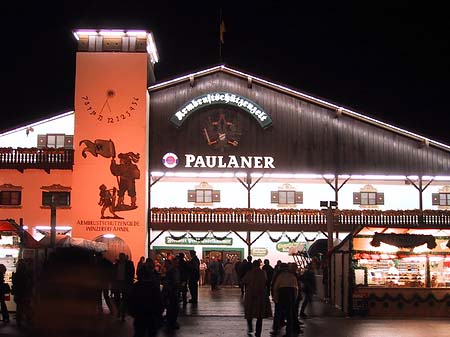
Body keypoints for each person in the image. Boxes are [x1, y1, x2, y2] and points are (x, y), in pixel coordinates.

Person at [128, 268, 164, 337]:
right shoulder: (153, 286)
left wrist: (132, 312)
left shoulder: (136, 286)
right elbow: (159, 301)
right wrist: (158, 313)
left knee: (139, 332)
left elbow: (131, 300)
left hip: (139, 315)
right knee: (151, 333)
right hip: (151, 315)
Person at [241, 260, 272, 337]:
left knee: (249, 312)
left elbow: (243, 281)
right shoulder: (263, 272)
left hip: (250, 295)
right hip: (261, 295)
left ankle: (250, 326)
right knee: (259, 315)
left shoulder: (250, 273)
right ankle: (258, 333)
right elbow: (266, 281)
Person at [271, 263, 302, 337]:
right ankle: (289, 331)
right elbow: (296, 289)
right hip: (290, 295)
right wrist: (295, 299)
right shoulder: (292, 276)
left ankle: (276, 329)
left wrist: (275, 297)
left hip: (281, 294)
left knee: (278, 313)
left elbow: (275, 287)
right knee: (289, 314)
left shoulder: (280, 275)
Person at [113, 252, 135, 321]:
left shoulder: (129, 264)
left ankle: (122, 314)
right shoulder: (116, 264)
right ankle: (119, 310)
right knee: (116, 298)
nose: (121, 258)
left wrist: (130, 282)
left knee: (125, 299)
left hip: (125, 283)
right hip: (118, 283)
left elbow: (132, 273)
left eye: (122, 257)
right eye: (120, 257)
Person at [11, 259, 33, 326]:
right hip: (25, 292)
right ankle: (27, 318)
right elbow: (28, 283)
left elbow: (14, 283)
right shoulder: (26, 274)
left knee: (19, 307)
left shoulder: (16, 274)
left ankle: (19, 320)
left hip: (18, 293)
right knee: (26, 306)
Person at [161, 258, 181, 330]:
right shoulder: (174, 270)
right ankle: (171, 321)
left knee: (171, 307)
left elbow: (174, 282)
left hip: (171, 291)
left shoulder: (172, 271)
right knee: (172, 307)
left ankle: (171, 321)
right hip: (172, 291)